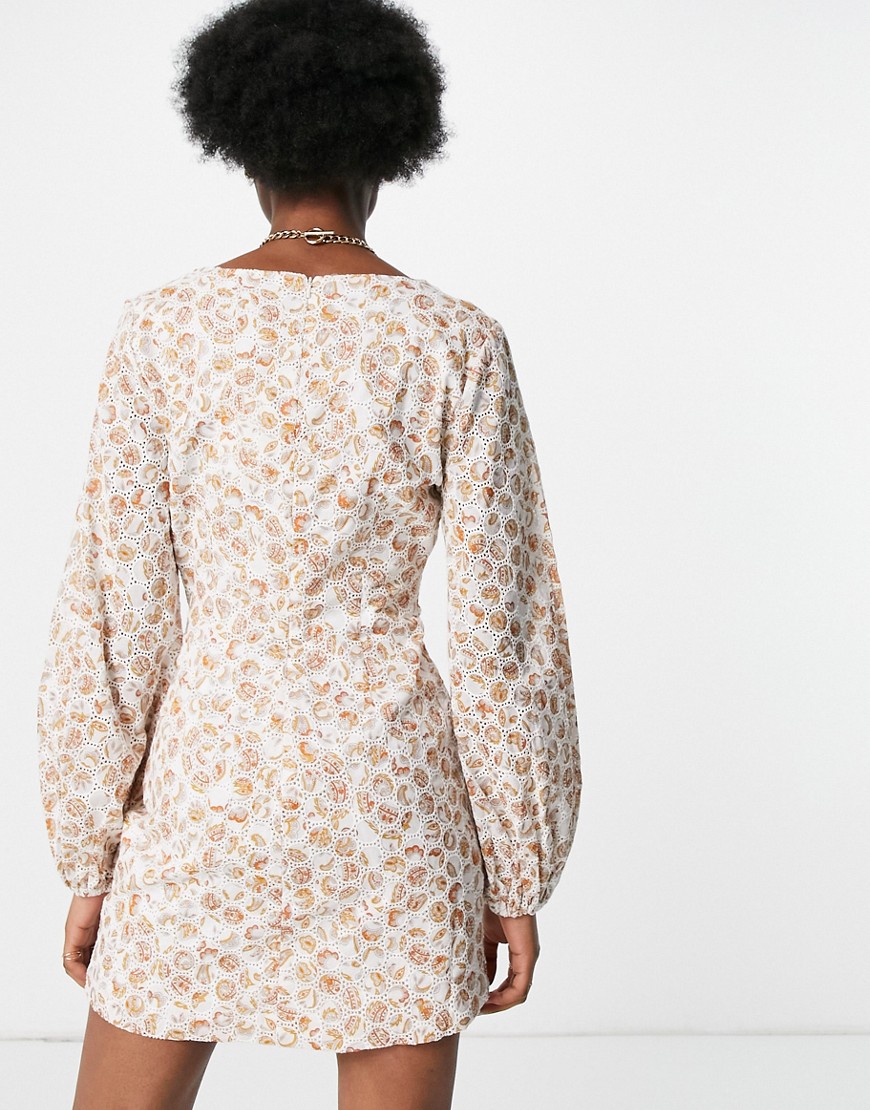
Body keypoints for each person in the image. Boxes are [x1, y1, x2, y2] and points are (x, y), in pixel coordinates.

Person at [35, 1, 583, 1107]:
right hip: (392, 797)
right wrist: (518, 873)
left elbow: (113, 614)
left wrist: (89, 856)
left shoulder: (163, 330)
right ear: (390, 150)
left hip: (207, 788)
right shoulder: (455, 340)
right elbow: (504, 633)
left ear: (244, 148)